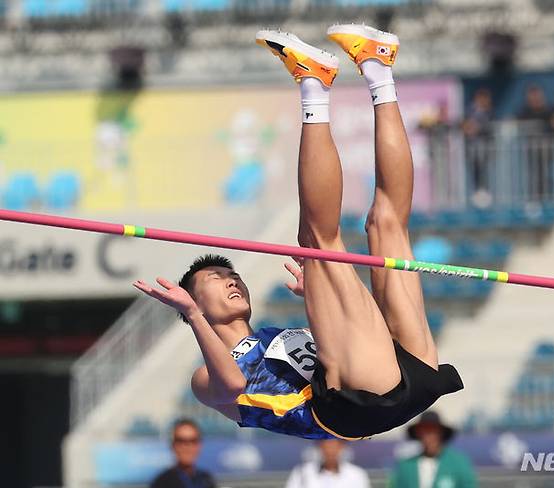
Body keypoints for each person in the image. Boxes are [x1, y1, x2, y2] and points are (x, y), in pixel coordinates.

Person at [134, 24, 463, 441]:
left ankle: (379, 68)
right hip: (357, 406)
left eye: (230, 275)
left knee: (386, 224)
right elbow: (233, 386)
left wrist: (323, 296)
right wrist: (196, 316)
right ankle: (313, 84)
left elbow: (354, 343)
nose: (230, 279)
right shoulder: (206, 376)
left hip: (407, 369)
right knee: (317, 243)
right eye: (213, 281)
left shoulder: (278, 336)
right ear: (190, 305)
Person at [389, 411, 477, 488]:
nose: (429, 437)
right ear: (418, 434)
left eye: (433, 431)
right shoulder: (406, 466)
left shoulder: (459, 463)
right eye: (425, 431)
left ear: (441, 433)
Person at [150, 418, 214, 488]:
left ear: (200, 445)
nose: (187, 446)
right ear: (172, 445)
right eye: (181, 441)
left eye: (193, 440)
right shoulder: (161, 482)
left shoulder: (207, 479)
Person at [285, 439, 370, 488]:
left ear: (341, 448)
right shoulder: (301, 472)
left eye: (334, 447)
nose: (330, 451)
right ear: (320, 447)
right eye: (327, 447)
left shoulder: (357, 474)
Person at [462, 88, 494, 207]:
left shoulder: (489, 112)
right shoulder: (469, 111)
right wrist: (468, 127)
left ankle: (484, 193)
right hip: (472, 148)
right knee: (475, 171)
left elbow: (489, 126)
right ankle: (477, 193)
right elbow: (464, 125)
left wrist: (477, 128)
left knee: (484, 171)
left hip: (484, 147)